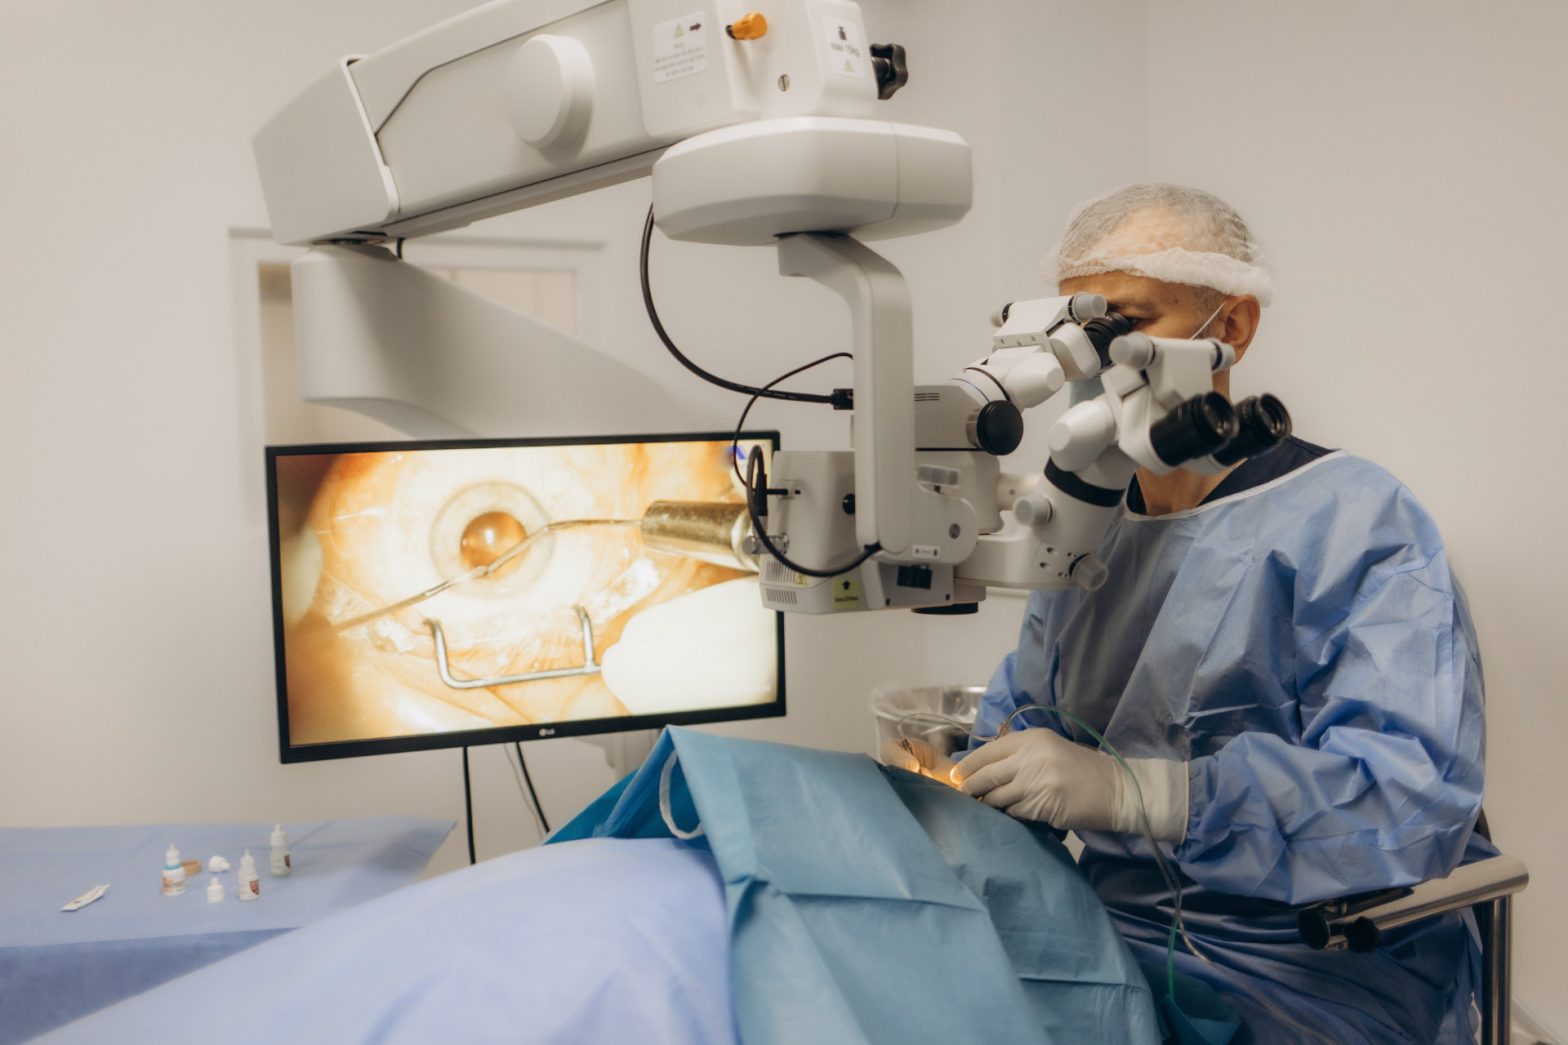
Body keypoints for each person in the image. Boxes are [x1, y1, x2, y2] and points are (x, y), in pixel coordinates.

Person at [895, 184, 1488, 1043]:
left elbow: (1409, 801)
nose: (1098, 359)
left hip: (1301, 965)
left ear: (1232, 328)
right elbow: (1022, 723)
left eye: (1127, 320)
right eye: (1078, 330)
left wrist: (1141, 791)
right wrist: (962, 783)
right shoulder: (1085, 526)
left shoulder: (1357, 521)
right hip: (1104, 935)